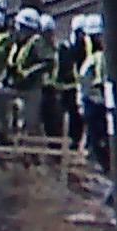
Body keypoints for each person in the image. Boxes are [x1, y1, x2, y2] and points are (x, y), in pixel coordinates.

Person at [5, 7, 56, 135]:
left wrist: (29, 73)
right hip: (17, 88)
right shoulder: (18, 43)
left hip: (31, 90)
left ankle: (33, 151)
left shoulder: (36, 42)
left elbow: (49, 62)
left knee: (29, 124)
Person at [46, 13, 89, 147]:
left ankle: (74, 142)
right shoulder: (65, 48)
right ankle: (58, 145)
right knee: (59, 118)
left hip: (77, 88)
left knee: (76, 118)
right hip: (64, 89)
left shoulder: (86, 48)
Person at [78, 15, 111, 174]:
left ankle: (103, 163)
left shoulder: (101, 57)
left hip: (100, 101)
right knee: (96, 135)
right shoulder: (91, 56)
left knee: (101, 136)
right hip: (93, 101)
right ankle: (98, 162)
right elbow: (83, 81)